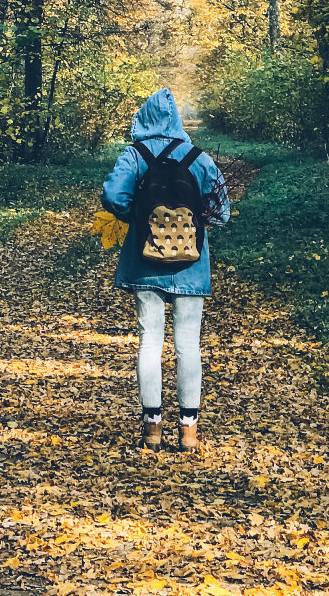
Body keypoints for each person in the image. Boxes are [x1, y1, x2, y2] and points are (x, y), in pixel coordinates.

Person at [100, 88, 230, 452]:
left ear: (142, 119)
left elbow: (113, 196)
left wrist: (137, 217)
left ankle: (152, 427)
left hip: (145, 262)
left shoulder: (135, 155)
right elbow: (221, 213)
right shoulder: (198, 158)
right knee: (188, 343)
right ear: (176, 121)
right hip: (191, 264)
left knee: (150, 341)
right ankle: (189, 431)